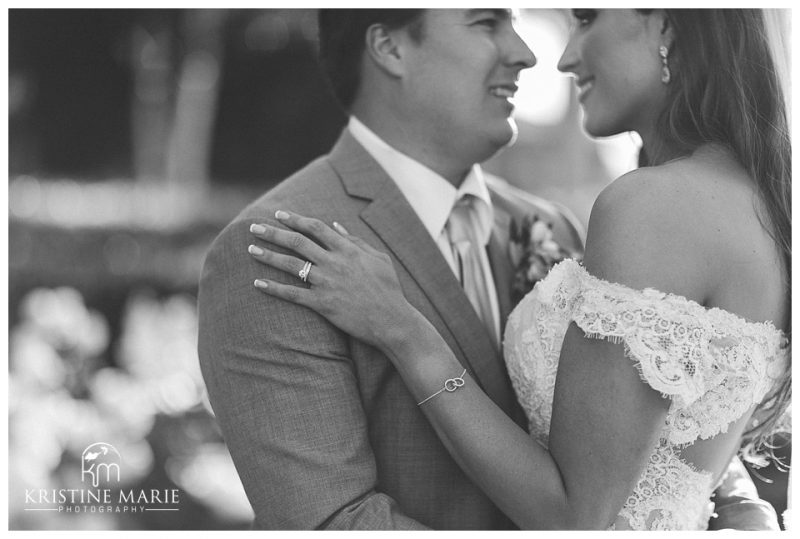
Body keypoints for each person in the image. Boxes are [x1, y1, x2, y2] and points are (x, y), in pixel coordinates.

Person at [245, 9, 791, 530]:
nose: (556, 58)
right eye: (486, 21)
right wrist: (738, 506)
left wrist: (404, 331)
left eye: (587, 17)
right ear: (388, 47)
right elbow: (675, 430)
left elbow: (574, 518)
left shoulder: (649, 207)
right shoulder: (763, 206)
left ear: (668, 24)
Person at [199, 9, 583, 530]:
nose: (525, 53)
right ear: (390, 47)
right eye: (486, 22)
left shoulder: (551, 229)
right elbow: (335, 521)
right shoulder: (279, 250)